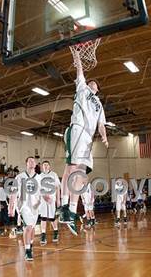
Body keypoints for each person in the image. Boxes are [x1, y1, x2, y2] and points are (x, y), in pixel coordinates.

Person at [58, 49, 108, 236]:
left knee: (78, 172)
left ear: (98, 88)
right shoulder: (82, 87)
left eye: (94, 82)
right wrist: (76, 54)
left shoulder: (99, 104)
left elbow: (101, 124)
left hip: (88, 138)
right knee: (74, 170)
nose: (91, 81)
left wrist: (104, 136)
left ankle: (67, 208)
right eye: (90, 80)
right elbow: (79, 70)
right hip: (78, 128)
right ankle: (68, 208)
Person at [8, 156, 41, 261]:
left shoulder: (39, 178)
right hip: (23, 205)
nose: (32, 162)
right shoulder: (20, 176)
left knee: (32, 228)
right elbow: (13, 193)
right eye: (30, 161)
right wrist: (11, 207)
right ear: (26, 163)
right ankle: (27, 251)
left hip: (35, 206)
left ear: (35, 164)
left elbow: (42, 193)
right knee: (28, 227)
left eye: (33, 161)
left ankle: (30, 245)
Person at [38, 160, 60, 246]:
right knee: (43, 217)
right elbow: (38, 189)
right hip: (43, 199)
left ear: (49, 166)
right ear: (42, 167)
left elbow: (58, 187)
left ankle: (56, 232)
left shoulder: (54, 175)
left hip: (51, 198)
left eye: (47, 165)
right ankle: (43, 234)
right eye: (44, 165)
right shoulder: (39, 176)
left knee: (52, 217)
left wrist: (58, 199)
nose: (45, 166)